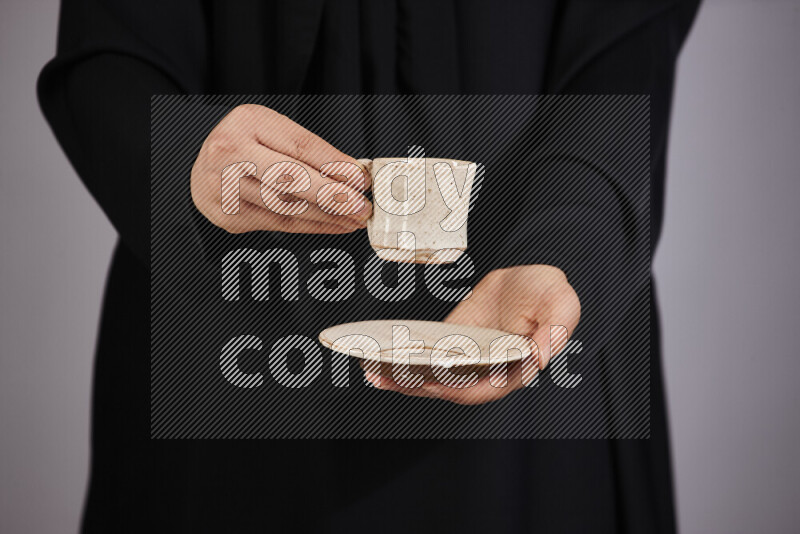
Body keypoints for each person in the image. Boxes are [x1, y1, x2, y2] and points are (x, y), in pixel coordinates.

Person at [39, 0, 700, 532]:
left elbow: (627, 50)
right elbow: (109, 48)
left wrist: (565, 244)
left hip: (529, 335)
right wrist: (182, 153)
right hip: (220, 337)